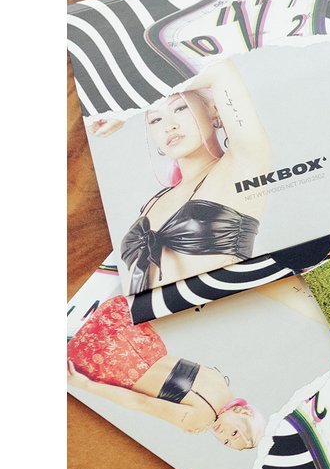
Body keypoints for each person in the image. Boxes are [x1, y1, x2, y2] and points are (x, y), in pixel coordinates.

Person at [92, 59, 272, 295]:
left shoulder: (242, 164)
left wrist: (129, 106)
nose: (169, 126)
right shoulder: (154, 202)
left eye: (180, 108)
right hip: (151, 314)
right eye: (155, 119)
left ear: (213, 111)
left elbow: (221, 71)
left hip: (221, 306)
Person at [66, 295, 265, 449]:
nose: (223, 435)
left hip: (136, 334)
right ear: (245, 412)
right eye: (235, 433)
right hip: (110, 359)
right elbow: (139, 402)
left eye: (227, 442)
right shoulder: (199, 420)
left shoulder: (219, 380)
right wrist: (85, 385)